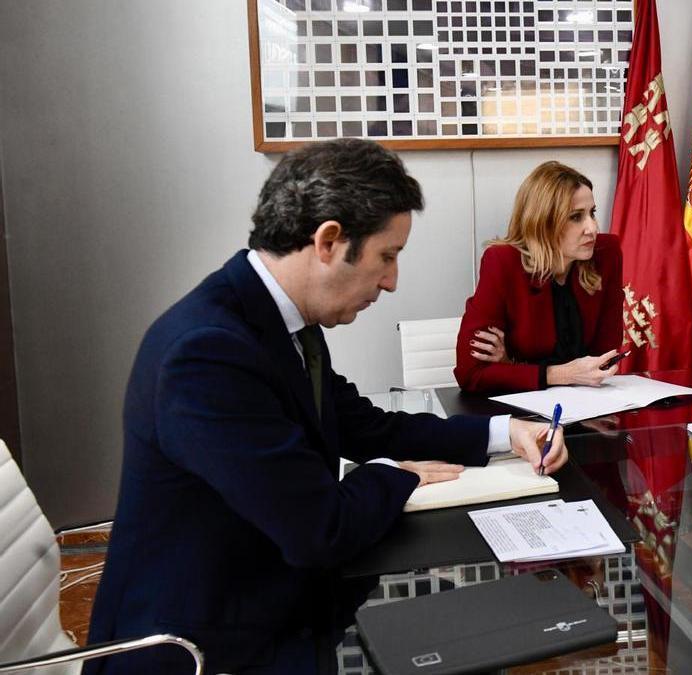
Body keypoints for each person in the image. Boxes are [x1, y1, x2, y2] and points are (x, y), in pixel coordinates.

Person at [85, 139, 566, 675]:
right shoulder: (206, 353)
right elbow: (319, 528)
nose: (391, 281)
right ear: (329, 242)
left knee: (485, 630)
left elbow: (364, 426)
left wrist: (506, 433)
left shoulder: (277, 320)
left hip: (280, 601)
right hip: (204, 647)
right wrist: (395, 474)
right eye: (388, 256)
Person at [454, 161, 624, 393]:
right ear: (542, 222)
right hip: (525, 417)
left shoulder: (606, 254)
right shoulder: (503, 262)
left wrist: (511, 366)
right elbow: (470, 374)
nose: (592, 228)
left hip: (590, 409)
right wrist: (560, 374)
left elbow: (604, 361)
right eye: (576, 217)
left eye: (592, 213)